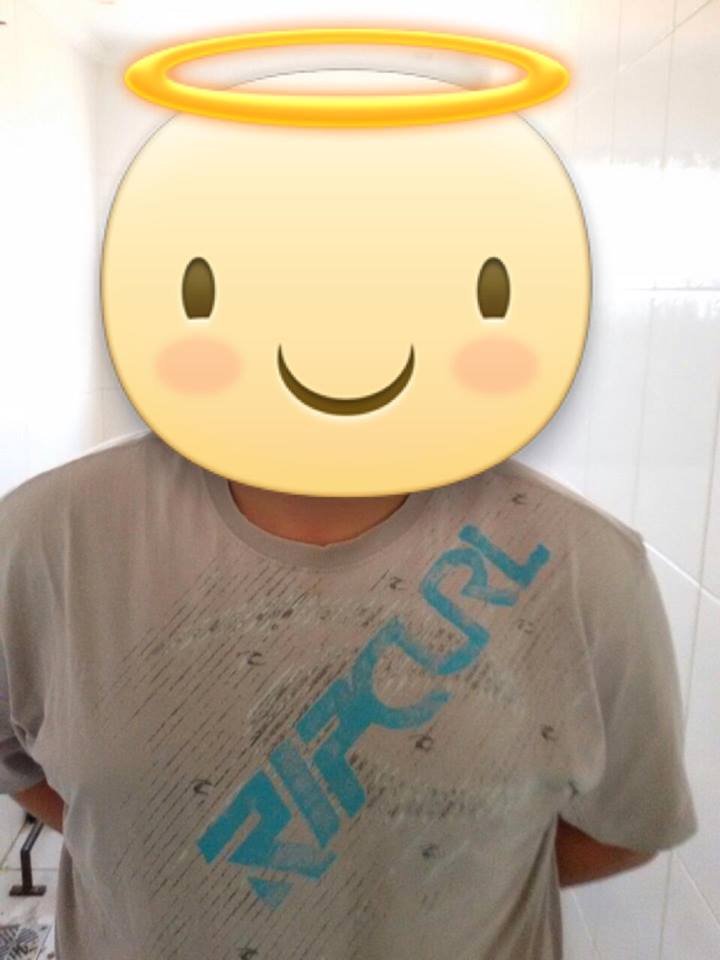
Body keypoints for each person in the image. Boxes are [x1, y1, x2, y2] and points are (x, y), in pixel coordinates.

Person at [0, 427, 698, 960]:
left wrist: (431, 870)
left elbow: (626, 830)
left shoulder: (582, 566)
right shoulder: (45, 536)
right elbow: (12, 756)